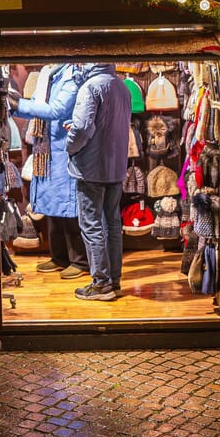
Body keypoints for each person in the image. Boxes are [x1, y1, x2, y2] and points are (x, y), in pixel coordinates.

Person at [12, 65, 89, 283]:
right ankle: (59, 257)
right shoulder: (49, 74)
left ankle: (80, 261)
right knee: (53, 206)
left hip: (65, 148)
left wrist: (19, 105)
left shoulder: (74, 75)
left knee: (69, 205)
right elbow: (38, 103)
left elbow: (57, 109)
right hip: (47, 149)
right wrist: (18, 105)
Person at [63, 63, 131, 303]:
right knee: (112, 224)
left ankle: (101, 284)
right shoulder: (122, 87)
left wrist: (69, 146)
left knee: (92, 224)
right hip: (115, 166)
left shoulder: (90, 87)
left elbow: (82, 128)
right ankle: (114, 280)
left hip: (91, 167)